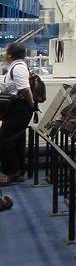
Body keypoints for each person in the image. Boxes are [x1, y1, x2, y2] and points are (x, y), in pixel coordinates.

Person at [0, 42, 34, 186]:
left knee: (5, 140)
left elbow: (25, 89)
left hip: (19, 109)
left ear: (10, 55)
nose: (3, 54)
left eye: (5, 51)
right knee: (17, 140)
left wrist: (31, 105)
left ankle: (11, 173)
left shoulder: (18, 68)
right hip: (17, 109)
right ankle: (18, 171)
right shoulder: (14, 67)